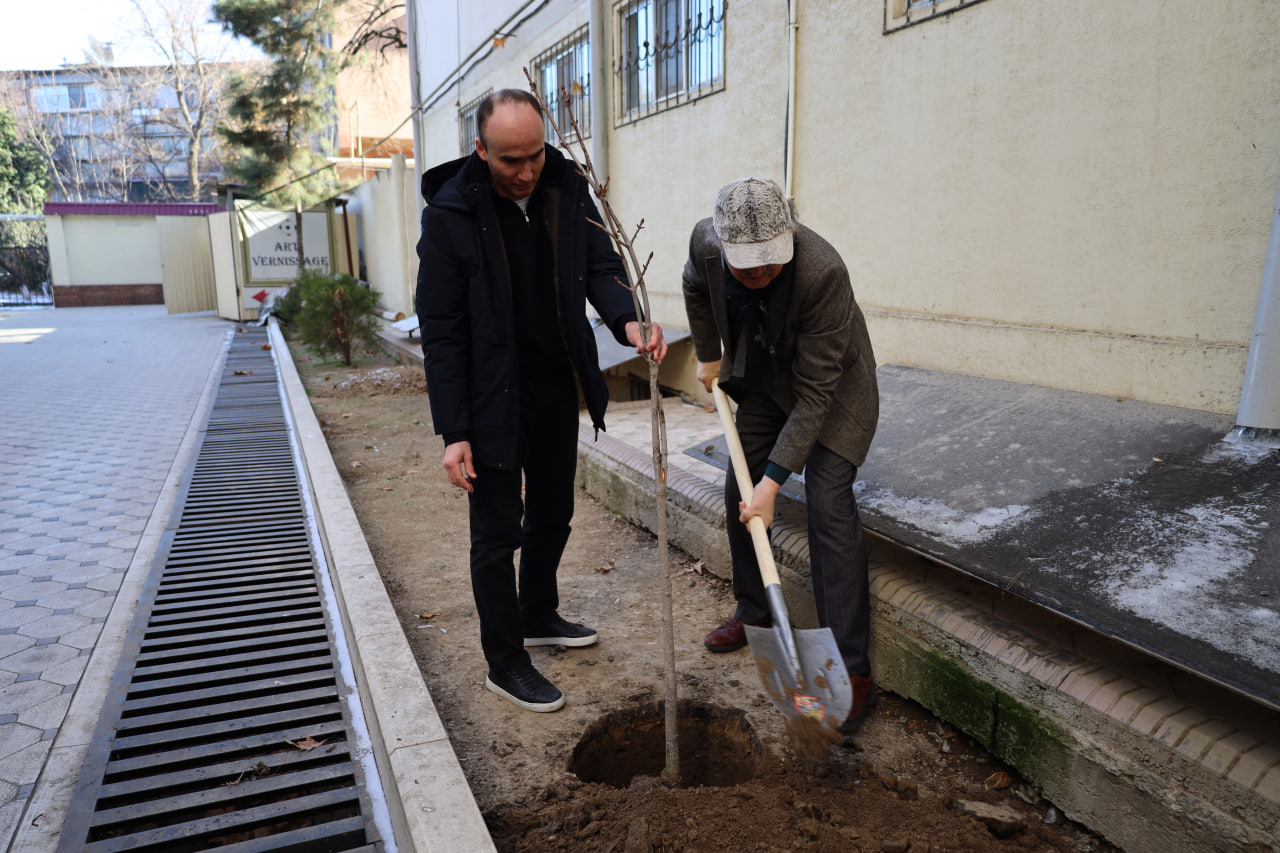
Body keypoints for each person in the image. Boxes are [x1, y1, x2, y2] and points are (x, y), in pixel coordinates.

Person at [416, 89, 667, 713]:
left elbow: (602, 268)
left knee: (553, 511)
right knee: (496, 536)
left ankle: (538, 613)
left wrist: (627, 324)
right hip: (488, 398)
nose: (526, 172)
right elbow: (441, 331)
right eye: (509, 161)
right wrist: (454, 432)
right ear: (480, 149)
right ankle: (506, 662)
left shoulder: (566, 186)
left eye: (534, 155)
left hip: (555, 382)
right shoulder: (450, 214)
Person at [681, 177, 879, 732]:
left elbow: (816, 397)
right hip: (766, 375)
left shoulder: (823, 272)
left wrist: (774, 485)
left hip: (834, 389)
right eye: (748, 269)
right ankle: (754, 610)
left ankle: (851, 670)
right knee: (737, 482)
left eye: (770, 266)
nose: (761, 276)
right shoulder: (706, 243)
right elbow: (694, 284)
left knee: (828, 500)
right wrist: (708, 353)